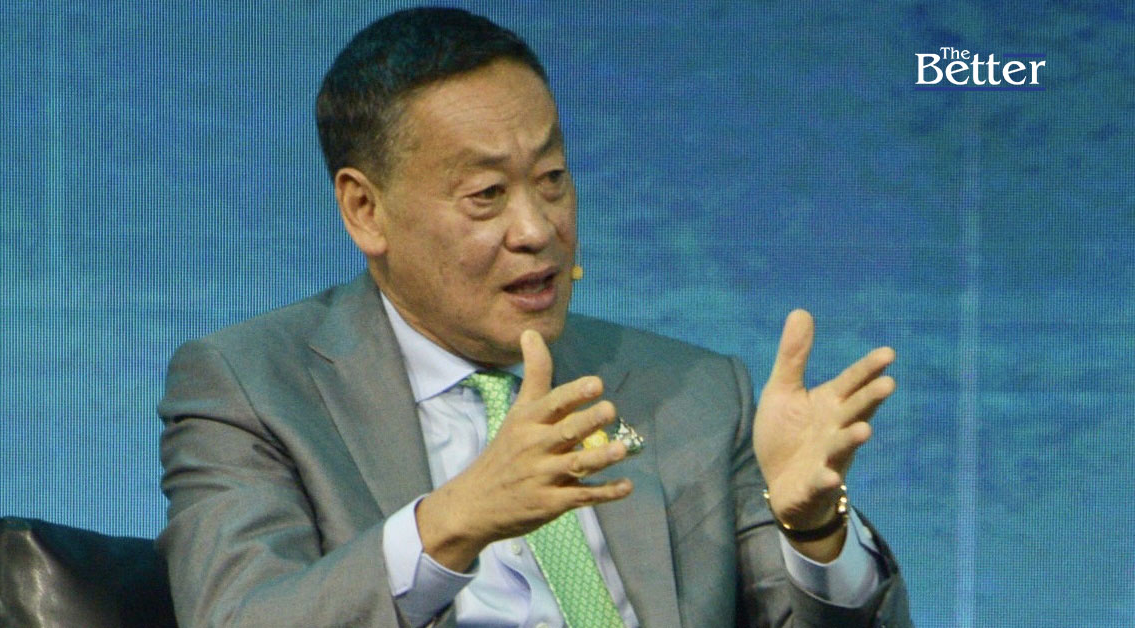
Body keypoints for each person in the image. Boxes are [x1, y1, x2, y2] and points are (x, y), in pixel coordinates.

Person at [156, 7, 912, 627]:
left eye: (551, 178)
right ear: (365, 209)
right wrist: (452, 521)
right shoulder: (253, 388)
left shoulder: (695, 392)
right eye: (486, 195)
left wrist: (815, 531)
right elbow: (238, 616)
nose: (537, 228)